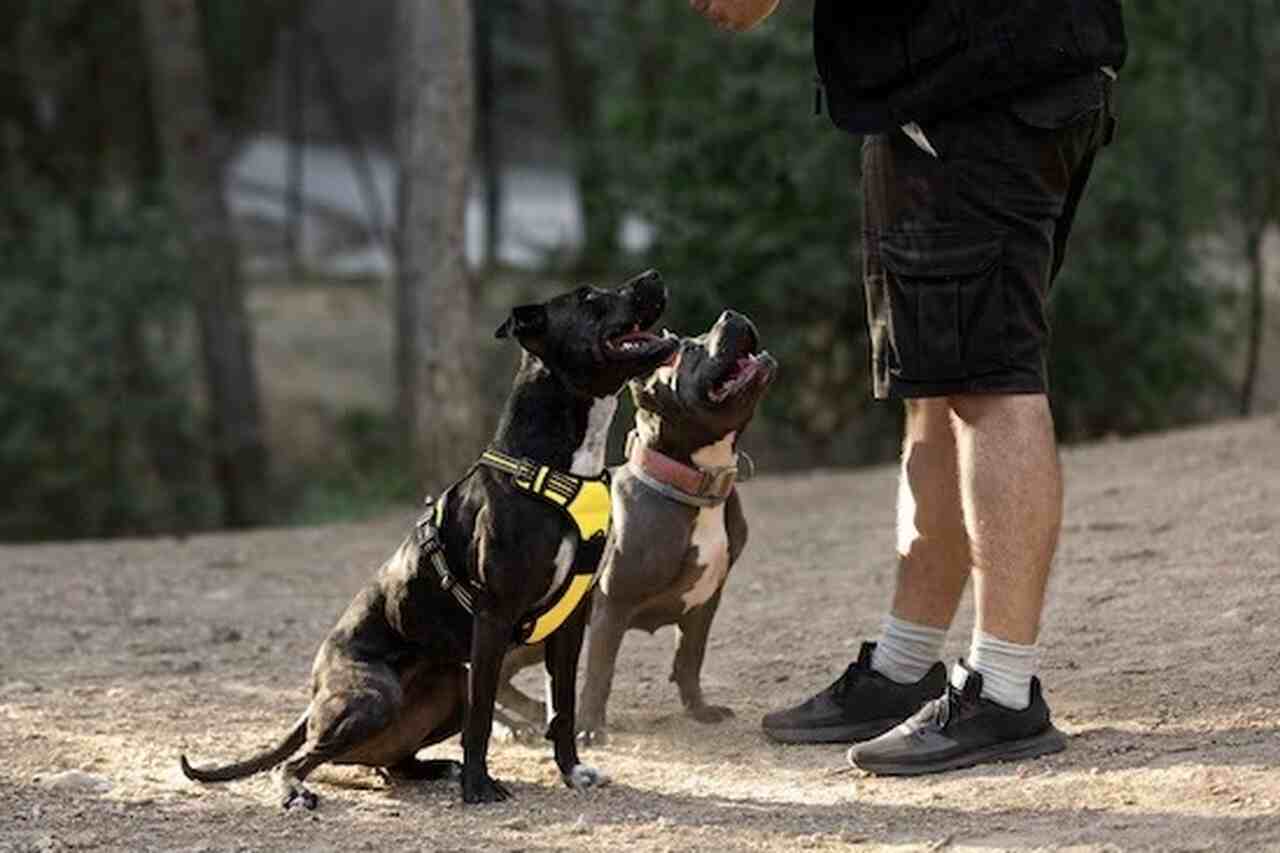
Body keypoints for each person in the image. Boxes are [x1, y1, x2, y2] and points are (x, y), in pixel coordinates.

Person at [688, 0, 1127, 774]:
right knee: (940, 383)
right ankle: (906, 663)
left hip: (976, 88)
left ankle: (1003, 689)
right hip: (1000, 77)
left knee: (991, 384)